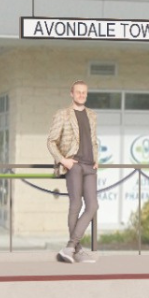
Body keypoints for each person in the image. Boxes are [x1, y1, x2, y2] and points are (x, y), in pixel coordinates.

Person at [46, 80, 100, 264]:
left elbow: (93, 140)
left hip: (90, 166)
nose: (81, 95)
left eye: (84, 92)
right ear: (72, 94)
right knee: (76, 205)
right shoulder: (62, 115)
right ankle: (76, 251)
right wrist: (63, 160)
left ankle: (70, 247)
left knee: (93, 205)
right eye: (78, 92)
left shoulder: (92, 115)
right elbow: (51, 141)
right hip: (74, 165)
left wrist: (97, 157)